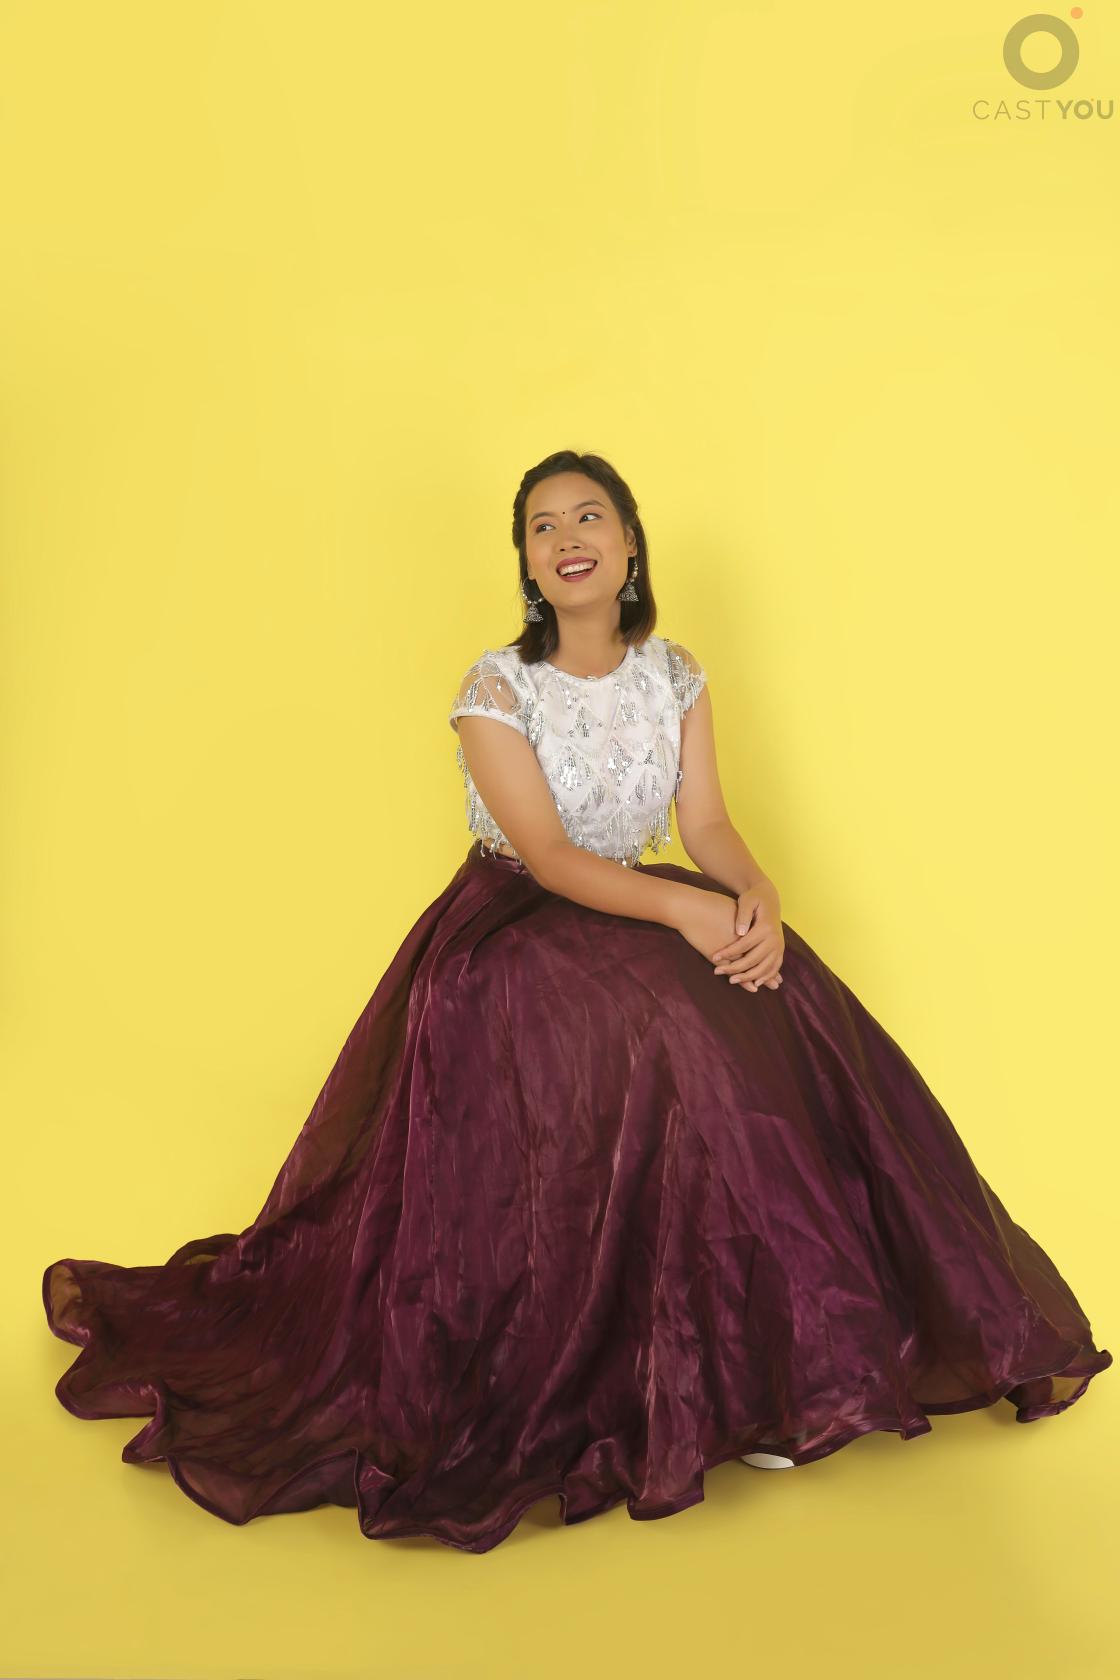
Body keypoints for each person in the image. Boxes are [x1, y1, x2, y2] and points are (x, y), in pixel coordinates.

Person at [42, 449, 1112, 1556]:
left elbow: (704, 823)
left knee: (781, 996)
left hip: (636, 907)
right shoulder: (497, 690)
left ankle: (789, 1362)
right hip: (510, 932)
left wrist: (753, 894)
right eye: (542, 527)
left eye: (587, 517)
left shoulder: (675, 675)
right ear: (527, 563)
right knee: (673, 1031)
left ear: (629, 543)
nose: (566, 539)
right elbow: (550, 858)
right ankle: (692, 1374)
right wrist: (688, 913)